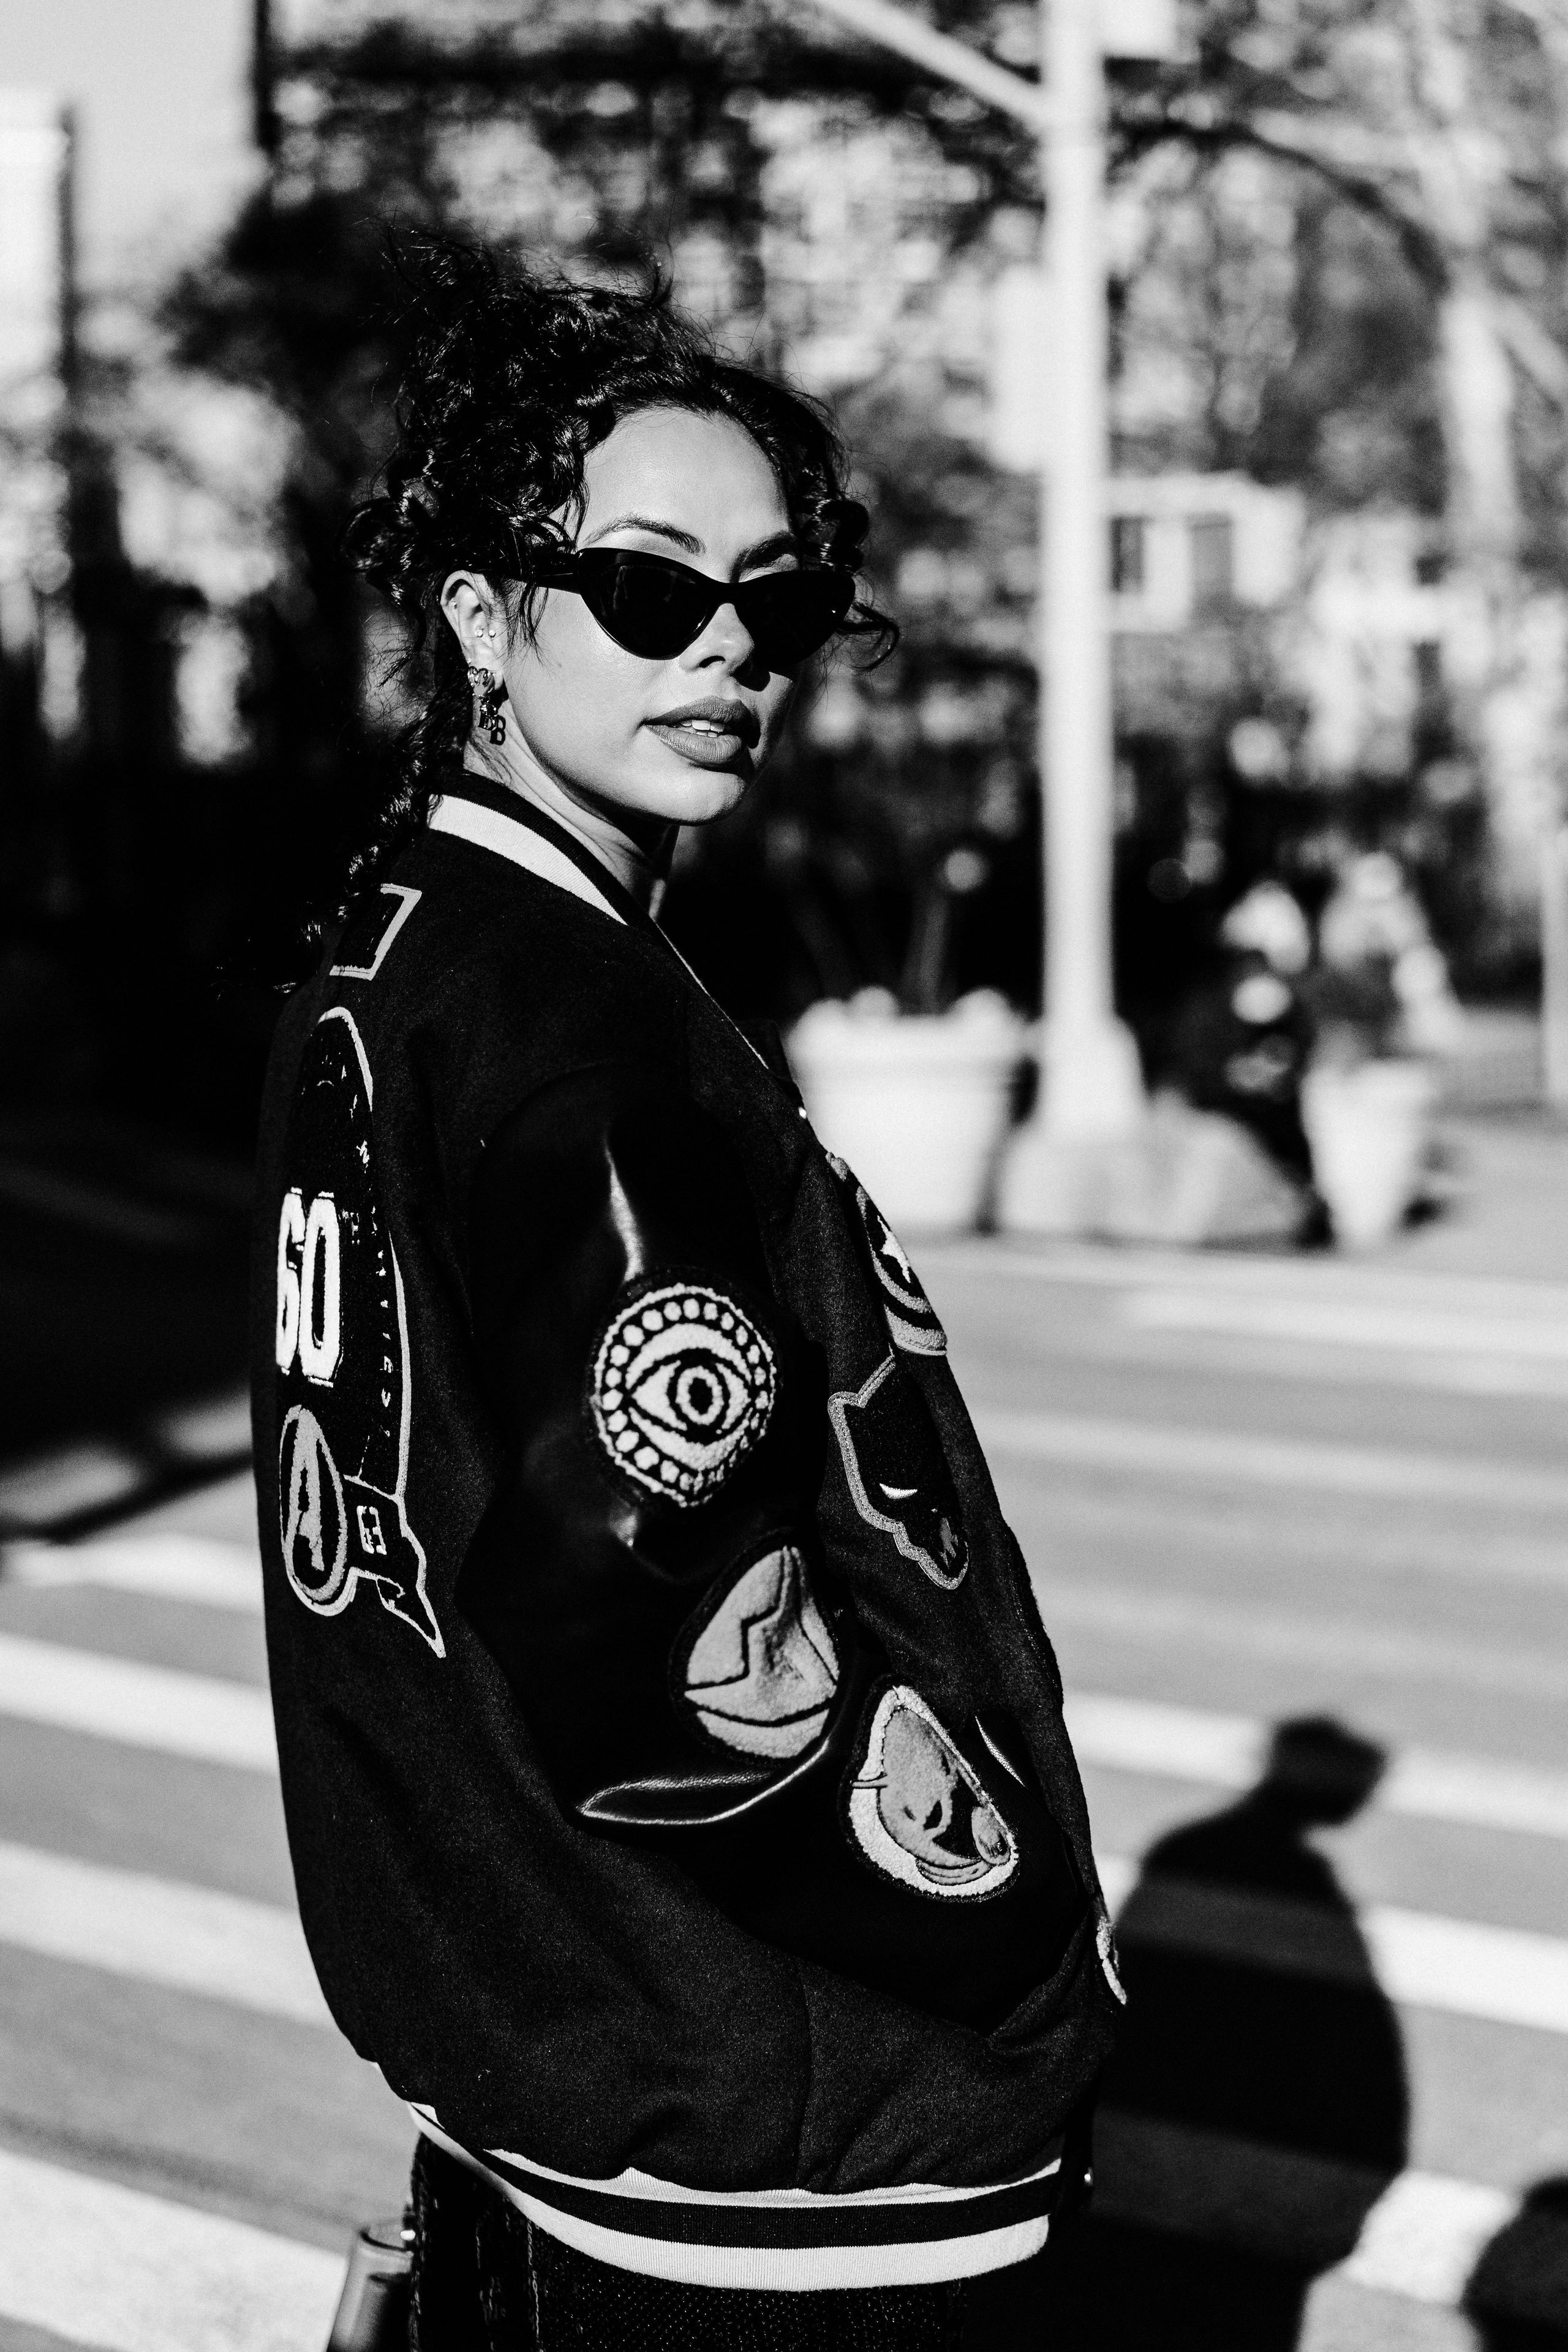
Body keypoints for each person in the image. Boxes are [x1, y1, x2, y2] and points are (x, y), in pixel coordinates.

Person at [251, 238, 1120, 2351]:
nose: (728, 646)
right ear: (482, 614)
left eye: (777, 603)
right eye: (649, 591)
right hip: (761, 2121)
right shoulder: (581, 1038)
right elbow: (675, 1633)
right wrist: (1000, 1934)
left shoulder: (399, 954)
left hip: (546, 2045)